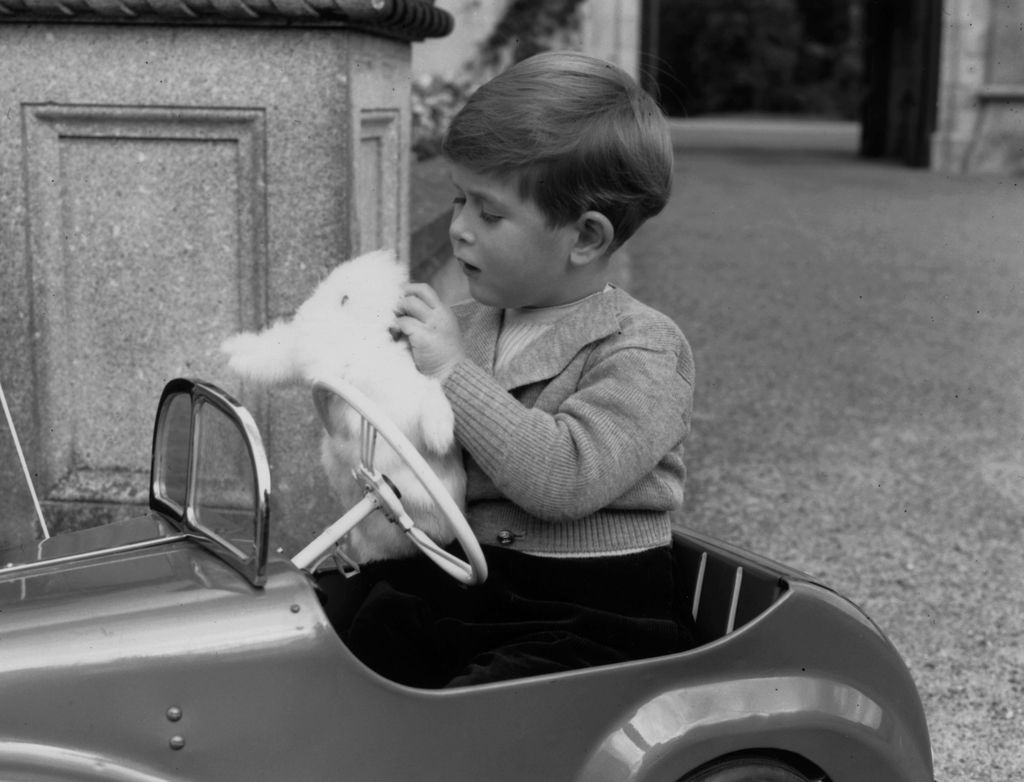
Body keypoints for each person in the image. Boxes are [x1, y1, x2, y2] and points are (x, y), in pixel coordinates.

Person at [348, 50, 696, 688]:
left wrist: (450, 370)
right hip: (480, 587)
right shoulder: (473, 323)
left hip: (593, 618)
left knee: (483, 706)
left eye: (488, 213)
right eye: (457, 201)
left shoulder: (643, 348)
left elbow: (562, 480)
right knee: (347, 627)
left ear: (585, 238)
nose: (457, 230)